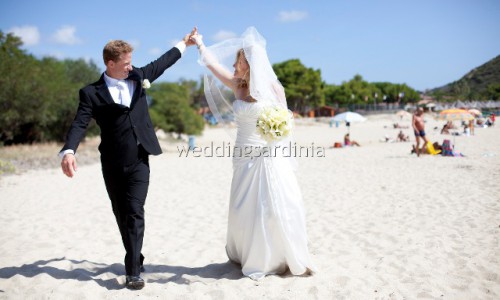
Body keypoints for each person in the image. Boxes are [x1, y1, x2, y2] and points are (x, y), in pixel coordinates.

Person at [59, 28, 197, 289]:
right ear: (110, 63)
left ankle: (132, 271)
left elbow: (163, 62)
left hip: (140, 158)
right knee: (121, 213)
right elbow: (80, 123)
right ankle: (137, 254)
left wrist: (184, 44)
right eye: (125, 63)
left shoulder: (139, 77)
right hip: (111, 162)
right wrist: (69, 150)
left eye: (131, 62)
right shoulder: (91, 93)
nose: (130, 67)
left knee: (134, 211)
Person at [192, 27, 315, 280]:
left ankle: (275, 256)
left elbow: (287, 122)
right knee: (242, 208)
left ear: (248, 63)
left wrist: (276, 132)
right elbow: (212, 66)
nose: (234, 66)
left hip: (267, 155)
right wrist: (200, 44)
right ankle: (247, 253)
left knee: (271, 205)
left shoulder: (273, 88)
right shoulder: (238, 85)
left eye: (237, 61)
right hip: (242, 155)